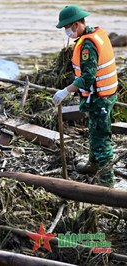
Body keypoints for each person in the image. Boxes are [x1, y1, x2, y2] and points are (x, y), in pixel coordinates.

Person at [53, 5, 118, 187]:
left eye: (67, 27)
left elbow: (88, 78)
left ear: (75, 25)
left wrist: (66, 90)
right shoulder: (98, 33)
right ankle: (93, 164)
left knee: (101, 139)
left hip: (100, 97)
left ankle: (107, 183)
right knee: (94, 130)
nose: (67, 31)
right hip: (106, 93)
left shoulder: (88, 45)